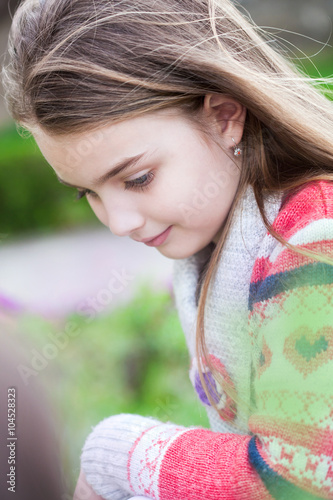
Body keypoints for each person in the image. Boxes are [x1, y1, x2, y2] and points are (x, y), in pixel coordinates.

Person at [3, 0, 333, 498]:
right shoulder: (216, 237)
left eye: (137, 178)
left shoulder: (312, 240)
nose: (118, 222)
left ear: (224, 116)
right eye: (86, 192)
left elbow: (305, 475)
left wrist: (119, 451)